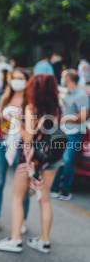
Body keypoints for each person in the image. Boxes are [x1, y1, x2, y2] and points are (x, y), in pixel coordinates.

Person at [0, 74, 60, 253]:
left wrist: (15, 121)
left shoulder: (31, 108)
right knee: (45, 199)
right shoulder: (56, 108)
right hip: (51, 158)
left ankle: (15, 240)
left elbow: (28, 137)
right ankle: (44, 241)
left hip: (31, 159)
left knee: (17, 198)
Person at [0, 69, 30, 233]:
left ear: (27, 81)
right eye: (14, 78)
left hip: (21, 146)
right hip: (2, 143)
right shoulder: (4, 98)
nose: (17, 81)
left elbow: (31, 127)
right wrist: (0, 124)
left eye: (20, 78)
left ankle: (23, 220)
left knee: (23, 186)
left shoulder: (29, 101)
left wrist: (18, 122)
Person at [50, 70, 88, 200]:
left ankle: (65, 191)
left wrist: (65, 119)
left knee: (67, 160)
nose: (62, 79)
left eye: (63, 77)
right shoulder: (68, 94)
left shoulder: (81, 95)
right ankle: (54, 189)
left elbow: (83, 116)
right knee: (59, 160)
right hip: (64, 131)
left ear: (68, 79)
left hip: (75, 133)